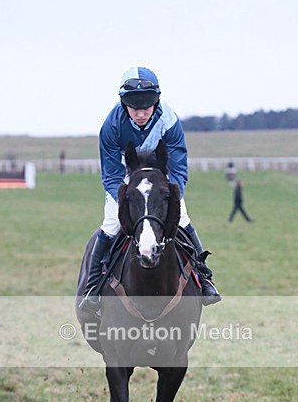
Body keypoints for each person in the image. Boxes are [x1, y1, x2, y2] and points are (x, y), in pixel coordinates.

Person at [80, 66, 221, 310]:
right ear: (124, 104)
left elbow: (178, 168)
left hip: (161, 182)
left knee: (183, 219)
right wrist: (126, 201)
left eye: (146, 107)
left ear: (156, 102)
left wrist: (172, 197)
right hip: (126, 181)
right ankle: (92, 288)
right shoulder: (111, 126)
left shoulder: (170, 121)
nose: (140, 113)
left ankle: (205, 280)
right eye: (134, 108)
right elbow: (111, 175)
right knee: (111, 224)